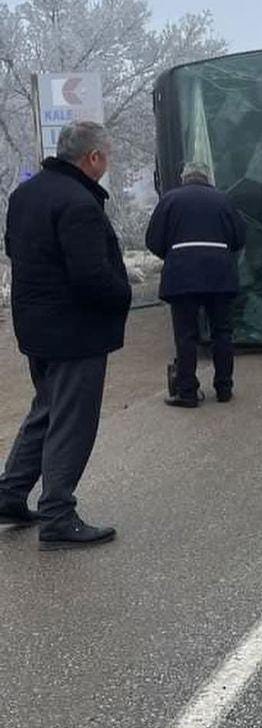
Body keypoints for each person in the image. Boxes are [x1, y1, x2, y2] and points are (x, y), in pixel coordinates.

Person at [0, 121, 131, 549]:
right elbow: (91, 275)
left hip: (36, 328)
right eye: (105, 156)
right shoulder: (78, 202)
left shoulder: (25, 194)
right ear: (92, 158)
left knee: (47, 411)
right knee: (72, 422)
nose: (107, 163)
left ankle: (9, 494)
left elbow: (14, 250)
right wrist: (122, 296)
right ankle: (58, 514)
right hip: (76, 331)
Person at [145, 161, 247, 408]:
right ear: (207, 178)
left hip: (182, 275)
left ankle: (187, 392)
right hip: (219, 274)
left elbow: (153, 239)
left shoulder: (169, 200)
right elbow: (239, 237)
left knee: (186, 335)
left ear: (184, 178)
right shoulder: (223, 200)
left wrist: (174, 255)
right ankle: (224, 388)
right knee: (222, 332)